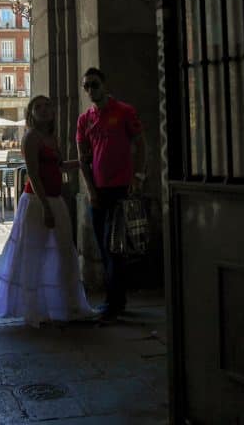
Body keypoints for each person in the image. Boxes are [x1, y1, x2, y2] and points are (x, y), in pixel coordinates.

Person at [0, 95, 95, 327]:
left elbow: (59, 167)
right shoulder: (31, 138)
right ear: (31, 113)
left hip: (55, 199)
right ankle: (33, 309)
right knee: (33, 252)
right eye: (38, 107)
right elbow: (33, 175)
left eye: (48, 106)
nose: (44, 110)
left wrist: (82, 161)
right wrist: (46, 207)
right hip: (37, 202)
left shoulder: (51, 138)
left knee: (64, 250)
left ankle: (67, 304)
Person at [76, 67, 146, 320]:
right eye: (86, 86)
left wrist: (138, 177)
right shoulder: (85, 119)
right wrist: (90, 190)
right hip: (98, 192)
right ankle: (117, 300)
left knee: (116, 246)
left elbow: (140, 143)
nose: (90, 90)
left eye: (94, 84)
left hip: (121, 189)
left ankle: (114, 303)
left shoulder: (124, 111)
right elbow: (83, 158)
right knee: (105, 247)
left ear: (104, 84)